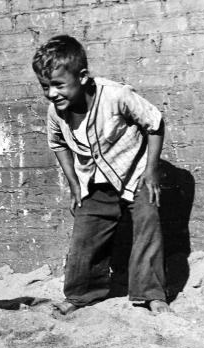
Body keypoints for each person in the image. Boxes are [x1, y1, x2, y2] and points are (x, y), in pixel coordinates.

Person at [32, 35, 171, 315]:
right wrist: (74, 185)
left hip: (134, 174)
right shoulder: (55, 112)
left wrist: (151, 171)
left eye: (58, 85)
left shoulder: (115, 96)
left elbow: (155, 123)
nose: (52, 93)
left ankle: (152, 295)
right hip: (94, 179)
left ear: (82, 77)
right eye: (45, 86)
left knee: (147, 225)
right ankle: (82, 295)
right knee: (85, 237)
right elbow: (58, 144)